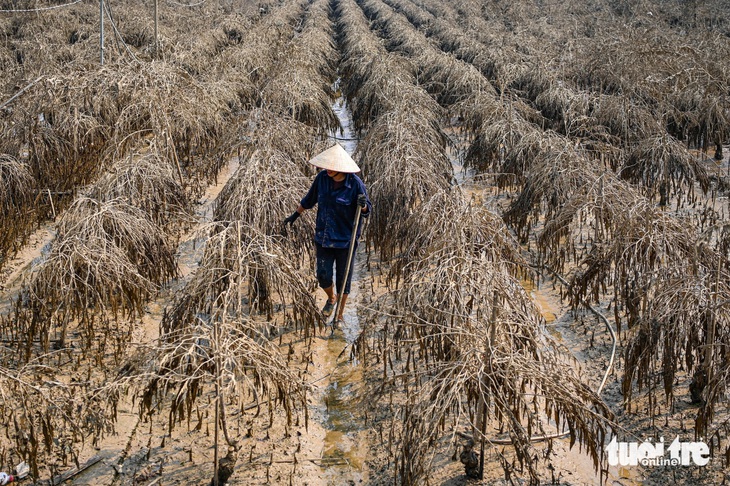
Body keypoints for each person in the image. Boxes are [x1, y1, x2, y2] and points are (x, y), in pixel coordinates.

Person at [283, 143, 372, 325]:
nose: (328, 170)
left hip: (345, 240)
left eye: (332, 168)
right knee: (323, 275)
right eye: (326, 167)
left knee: (343, 279)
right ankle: (331, 298)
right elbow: (309, 199)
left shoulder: (355, 185)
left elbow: (367, 211)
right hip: (323, 237)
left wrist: (362, 204)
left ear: (341, 168)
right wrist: (294, 216)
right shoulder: (322, 178)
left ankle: (339, 315)